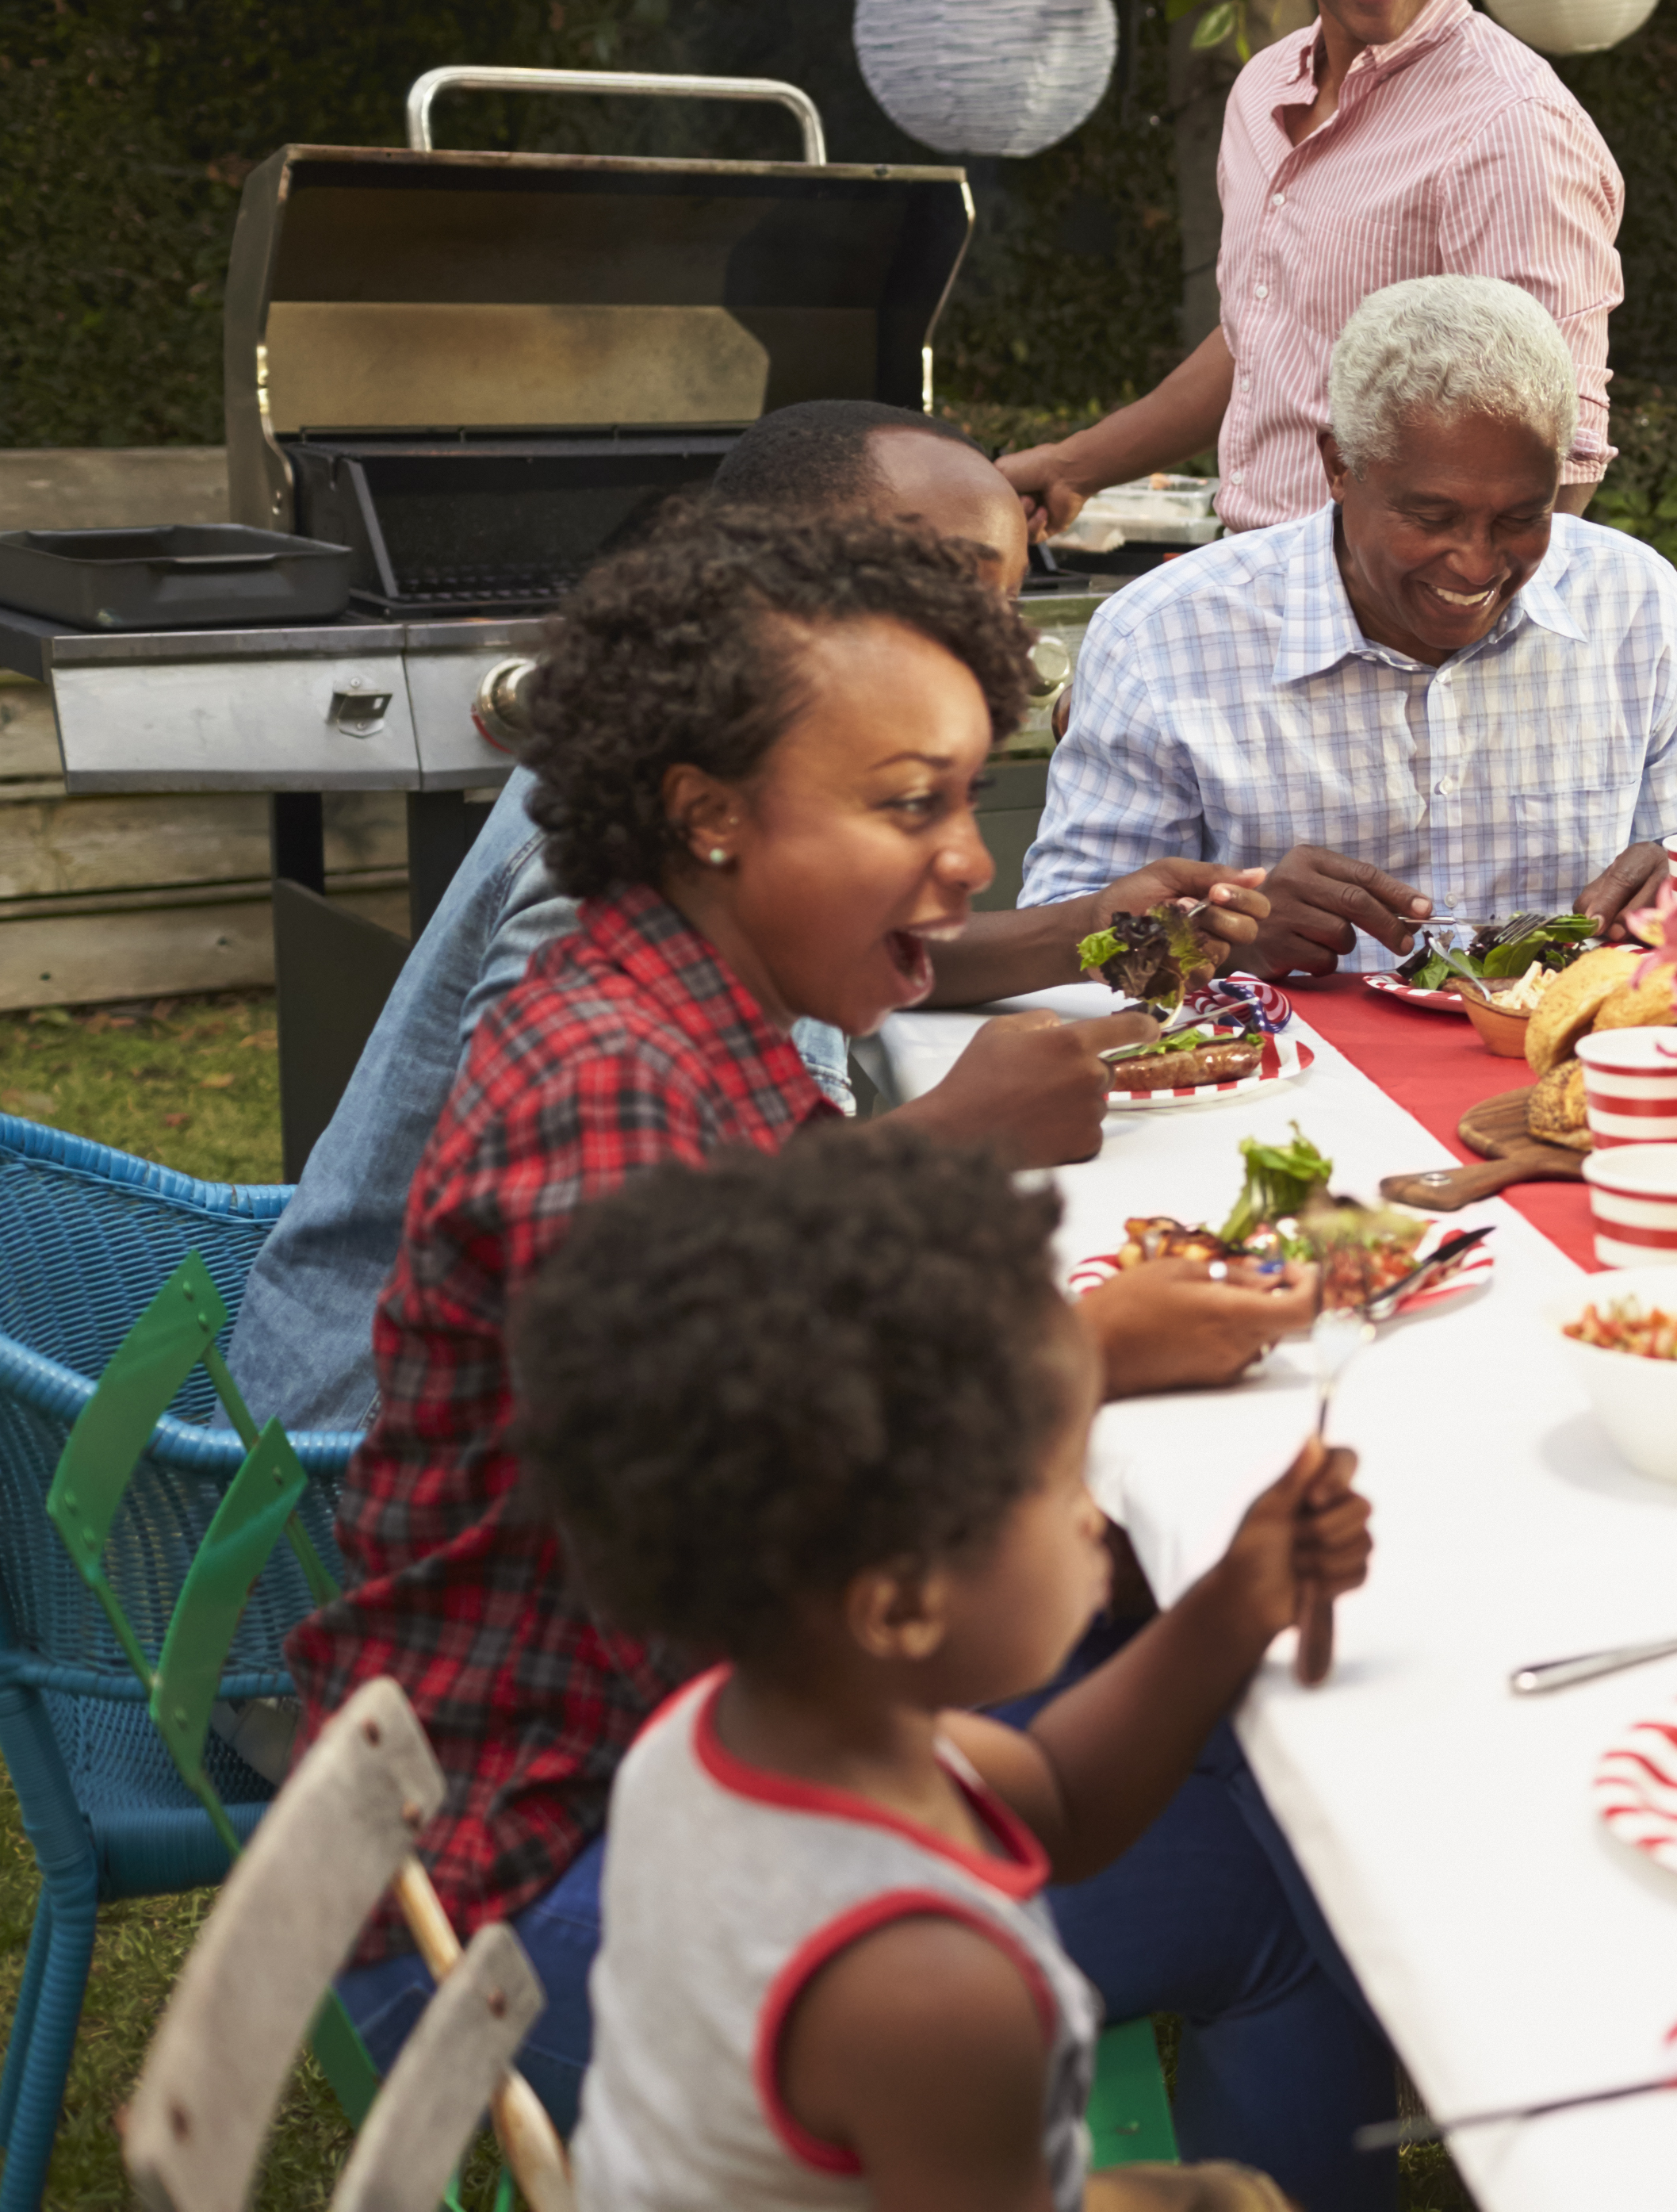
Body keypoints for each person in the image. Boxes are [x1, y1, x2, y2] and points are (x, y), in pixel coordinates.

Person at [287, 505, 1355, 2151]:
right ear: (710, 817)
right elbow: (796, 1549)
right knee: (1306, 1891)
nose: (973, 855)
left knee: (1215, 1729)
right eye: (908, 803)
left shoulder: (686, 1014)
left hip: (590, 1777)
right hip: (533, 1888)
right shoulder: (612, 1097)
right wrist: (1077, 1377)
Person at [230, 401, 1270, 1433]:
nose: (988, 653)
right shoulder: (598, 918)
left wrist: (1098, 934)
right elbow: (588, 1323)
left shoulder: (729, 799)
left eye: (1001, 611)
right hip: (357, 1437)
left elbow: (845, 948)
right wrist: (948, 1145)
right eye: (946, 596)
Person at [527, 1126, 1367, 2212]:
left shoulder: (714, 1741)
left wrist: (1234, 1603)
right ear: (906, 1604)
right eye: (1068, 1483)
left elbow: (1055, 1800)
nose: (1092, 1521)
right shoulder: (934, 1992)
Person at [994, 0, 1623, 536]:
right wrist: (1070, 467)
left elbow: (1556, 458)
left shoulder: (1511, 127)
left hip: (1391, 634)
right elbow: (1263, 339)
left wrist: (1394, 631)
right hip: (1249, 582)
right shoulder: (1262, 93)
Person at [1020, 274, 1677, 976]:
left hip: (1554, 1080)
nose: (1476, 565)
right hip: (1282, 1084)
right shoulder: (1162, 637)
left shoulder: (1633, 603)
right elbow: (1062, 938)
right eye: (1432, 518)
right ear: (1339, 466)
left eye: (1521, 518)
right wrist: (1222, 934)